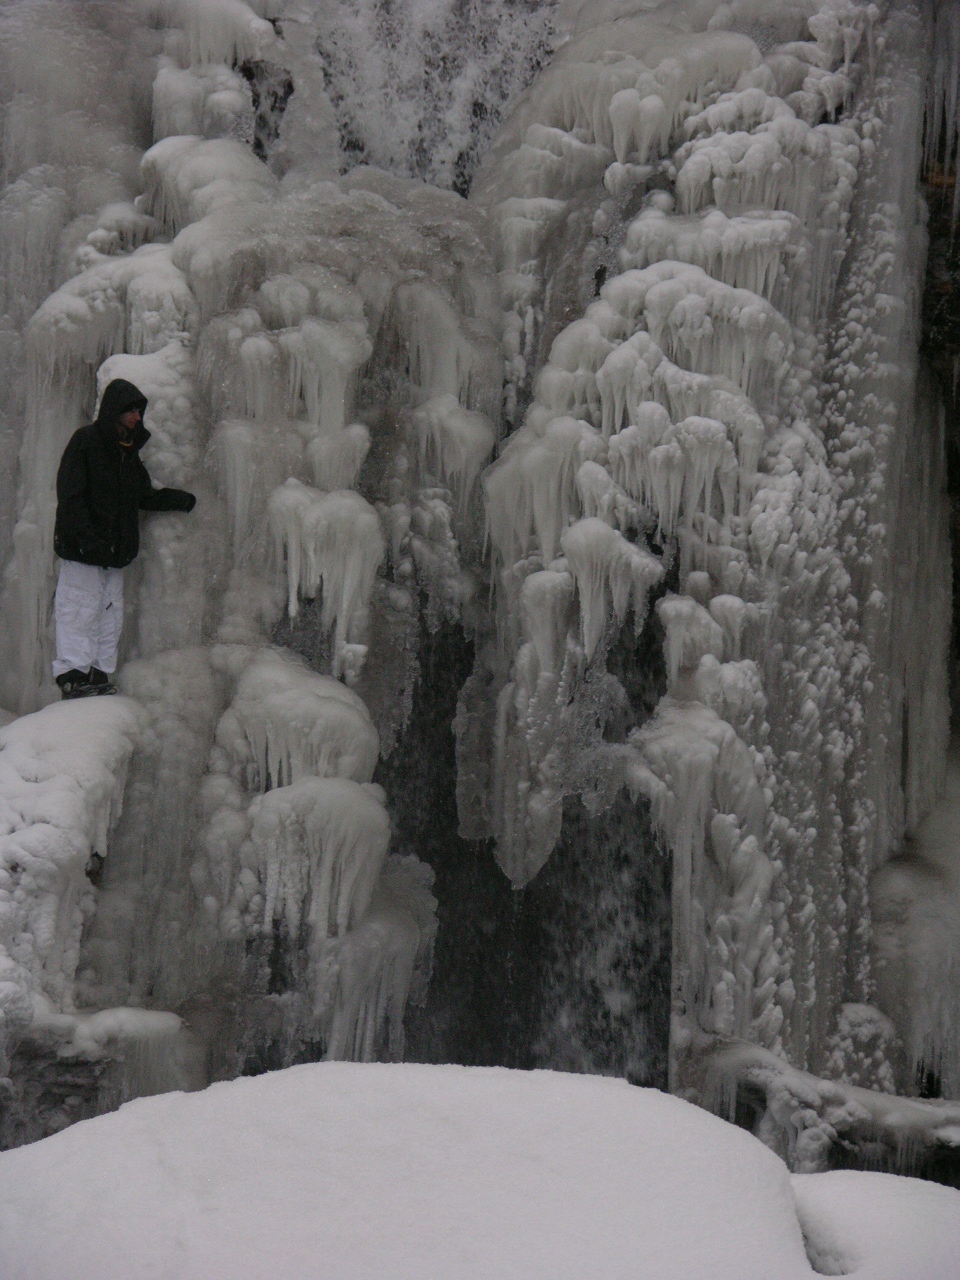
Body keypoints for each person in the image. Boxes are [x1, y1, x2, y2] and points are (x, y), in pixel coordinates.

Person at [51, 377, 196, 699]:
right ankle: (72, 677)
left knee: (109, 612)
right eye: (131, 410)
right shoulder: (86, 442)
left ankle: (99, 674)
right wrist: (86, 538)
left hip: (113, 553)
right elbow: (70, 495)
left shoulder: (127, 454)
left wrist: (181, 500)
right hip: (83, 550)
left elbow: (143, 495)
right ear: (114, 410)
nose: (136, 418)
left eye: (139, 412)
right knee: (78, 608)